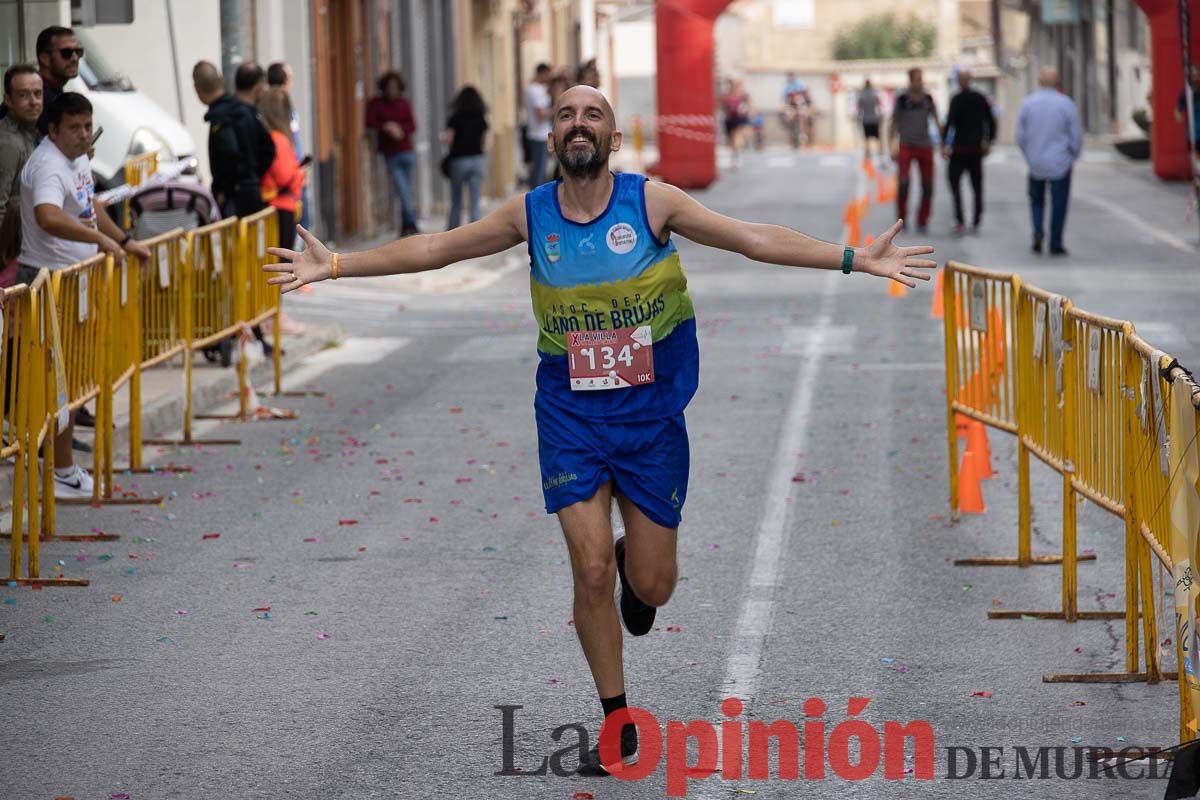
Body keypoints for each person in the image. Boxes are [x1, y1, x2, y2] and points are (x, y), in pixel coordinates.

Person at [263, 84, 935, 777]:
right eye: (565, 115)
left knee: (655, 584)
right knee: (586, 569)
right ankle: (619, 723)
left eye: (593, 115)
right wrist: (336, 265)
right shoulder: (529, 215)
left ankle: (633, 575)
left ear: (614, 139)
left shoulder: (652, 203)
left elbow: (750, 239)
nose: (577, 124)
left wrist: (856, 259)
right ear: (549, 137)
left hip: (649, 417)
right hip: (570, 413)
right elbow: (438, 247)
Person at [17, 92, 150, 496]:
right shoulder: (48, 166)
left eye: (87, 126)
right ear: (53, 130)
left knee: (70, 379)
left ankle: (62, 467)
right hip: (50, 281)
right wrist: (98, 240)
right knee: (60, 380)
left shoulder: (75, 160)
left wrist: (124, 241)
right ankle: (59, 470)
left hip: (72, 280)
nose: (83, 134)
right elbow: (48, 214)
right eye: (73, 128)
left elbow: (88, 205)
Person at [192, 60, 278, 356]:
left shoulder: (223, 118)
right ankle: (251, 329)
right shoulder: (245, 113)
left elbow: (229, 156)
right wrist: (254, 177)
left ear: (197, 89)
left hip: (236, 199)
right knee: (250, 265)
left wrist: (230, 187)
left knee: (232, 267)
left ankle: (238, 330)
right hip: (252, 195)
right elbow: (269, 149)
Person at [1016, 66, 1082, 255]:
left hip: (1035, 161)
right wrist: (1073, 156)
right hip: (1060, 161)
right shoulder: (1066, 104)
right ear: (1058, 82)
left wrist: (1028, 155)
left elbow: (1020, 135)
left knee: (1036, 200)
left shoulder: (1028, 103)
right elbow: (1075, 135)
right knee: (1059, 203)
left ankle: (1037, 231)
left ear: (1039, 82)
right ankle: (1055, 242)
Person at [0, 66, 42, 286]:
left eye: (37, 94)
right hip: (9, 259)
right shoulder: (8, 143)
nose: (33, 101)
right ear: (8, 99)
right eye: (23, 95)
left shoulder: (29, 134)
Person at [941, 69, 996, 235]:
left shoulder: (971, 98)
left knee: (973, 185)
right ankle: (965, 219)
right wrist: (944, 144)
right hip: (964, 149)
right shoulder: (965, 98)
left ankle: (972, 219)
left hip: (970, 149)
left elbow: (990, 121)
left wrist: (988, 140)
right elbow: (950, 122)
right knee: (966, 184)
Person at [366, 71, 419, 236]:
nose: (392, 90)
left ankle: (407, 225)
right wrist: (386, 127)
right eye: (389, 87)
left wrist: (400, 129)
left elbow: (412, 125)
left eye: (395, 87)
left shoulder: (404, 103)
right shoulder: (377, 103)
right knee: (403, 189)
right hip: (391, 154)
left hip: (407, 151)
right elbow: (370, 122)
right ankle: (410, 223)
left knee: (406, 189)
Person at [0, 26, 79, 136]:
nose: (75, 58)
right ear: (44, 58)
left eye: (78, 52)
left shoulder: (54, 95)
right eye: (66, 53)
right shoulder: (44, 100)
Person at [888, 67, 939, 233]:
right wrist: (891, 145)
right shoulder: (902, 99)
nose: (920, 81)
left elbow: (937, 120)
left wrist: (943, 143)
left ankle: (922, 221)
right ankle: (902, 219)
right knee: (903, 183)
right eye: (917, 78)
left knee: (928, 185)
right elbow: (894, 122)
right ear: (910, 80)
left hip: (925, 145)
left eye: (921, 78)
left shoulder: (928, 98)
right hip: (906, 145)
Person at [258, 87, 305, 252]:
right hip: (281, 206)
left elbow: (282, 174)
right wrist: (298, 175)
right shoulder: (280, 139)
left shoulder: (275, 138)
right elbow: (285, 175)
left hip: (278, 206)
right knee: (283, 260)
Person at [267, 61, 312, 233]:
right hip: (289, 179)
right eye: (290, 77)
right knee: (301, 225)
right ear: (286, 80)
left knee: (303, 223)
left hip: (295, 172)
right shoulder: (278, 108)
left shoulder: (285, 107)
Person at [443, 85, 489, 229]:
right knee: (474, 200)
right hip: (477, 160)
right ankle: (475, 231)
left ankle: (452, 231)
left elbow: (449, 139)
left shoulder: (455, 118)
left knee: (456, 199)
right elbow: (483, 142)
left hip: (459, 160)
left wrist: (452, 152)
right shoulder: (480, 118)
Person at [524, 64, 553, 188]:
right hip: (538, 135)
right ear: (541, 73)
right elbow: (540, 114)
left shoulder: (540, 88)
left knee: (542, 170)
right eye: (547, 74)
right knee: (539, 171)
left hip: (542, 134)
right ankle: (536, 197)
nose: (549, 77)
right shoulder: (533, 90)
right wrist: (557, 109)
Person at [721, 79, 751, 167]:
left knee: (736, 139)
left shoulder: (743, 96)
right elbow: (722, 106)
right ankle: (734, 155)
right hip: (729, 120)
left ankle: (735, 158)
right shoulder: (726, 96)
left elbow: (750, 106)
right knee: (730, 141)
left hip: (739, 120)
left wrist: (745, 110)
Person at [856, 78, 882, 161]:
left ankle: (868, 153)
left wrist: (859, 117)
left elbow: (859, 108)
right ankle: (880, 152)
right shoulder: (874, 94)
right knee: (877, 137)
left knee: (867, 138)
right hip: (874, 118)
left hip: (866, 119)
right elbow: (879, 106)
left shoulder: (862, 95)